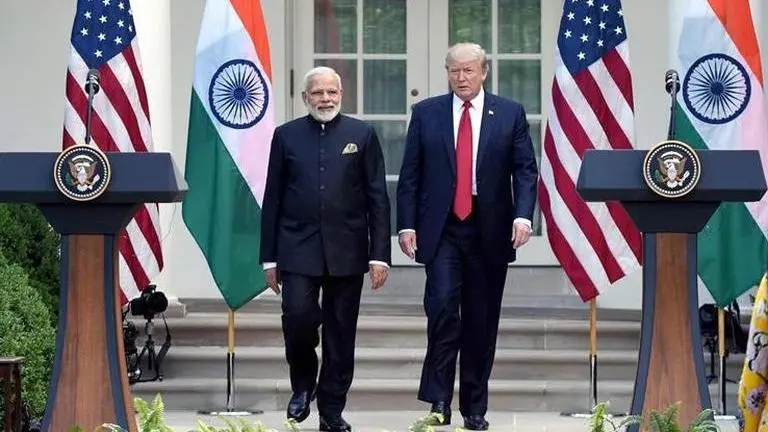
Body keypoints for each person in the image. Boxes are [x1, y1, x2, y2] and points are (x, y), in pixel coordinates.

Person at [396, 42, 538, 431]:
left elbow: (525, 170)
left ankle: (474, 406)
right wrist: (406, 225)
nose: (461, 78)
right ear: (447, 72)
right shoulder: (426, 113)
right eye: (454, 71)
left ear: (484, 72)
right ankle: (439, 400)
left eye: (468, 71)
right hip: (442, 230)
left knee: (481, 320)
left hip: (488, 229)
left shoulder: (509, 113)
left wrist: (523, 216)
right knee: (442, 310)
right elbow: (410, 175)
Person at [260, 66, 391, 432]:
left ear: (341, 94)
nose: (325, 99)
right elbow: (272, 199)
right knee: (298, 318)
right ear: (305, 98)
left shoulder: (361, 134)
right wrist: (268, 258)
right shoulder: (286, 136)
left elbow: (378, 198)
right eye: (317, 93)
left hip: (348, 250)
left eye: (331, 92)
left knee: (340, 333)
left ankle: (332, 410)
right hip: (296, 248)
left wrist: (379, 254)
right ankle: (303, 385)